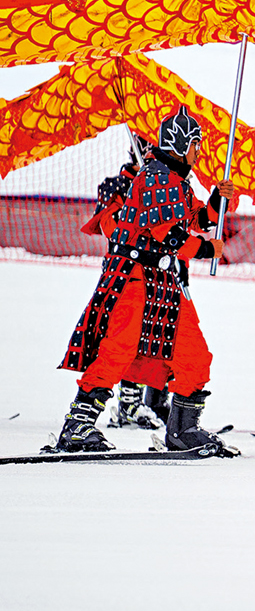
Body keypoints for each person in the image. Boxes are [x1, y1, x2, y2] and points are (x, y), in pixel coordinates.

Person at [54, 107, 240, 456]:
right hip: (134, 278)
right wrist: (206, 249)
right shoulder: (156, 177)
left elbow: (198, 218)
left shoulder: (177, 181)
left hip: (163, 283)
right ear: (180, 144)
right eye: (195, 143)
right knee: (117, 349)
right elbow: (166, 232)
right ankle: (77, 427)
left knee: (195, 355)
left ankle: (183, 430)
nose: (199, 151)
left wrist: (218, 198)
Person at [79, 136, 173, 431]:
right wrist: (137, 204)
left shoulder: (167, 185)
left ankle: (149, 402)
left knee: (156, 340)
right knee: (121, 342)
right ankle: (120, 405)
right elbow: (111, 227)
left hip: (160, 275)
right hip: (125, 275)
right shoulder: (116, 185)